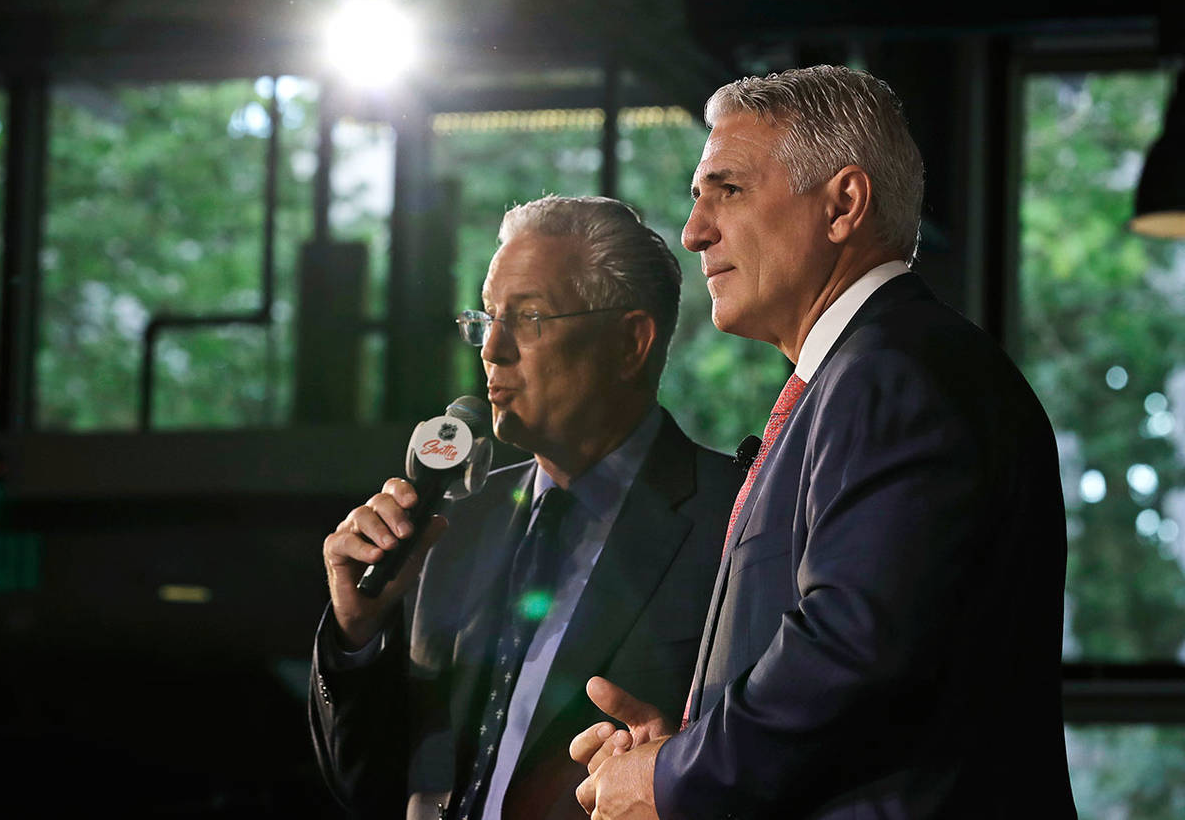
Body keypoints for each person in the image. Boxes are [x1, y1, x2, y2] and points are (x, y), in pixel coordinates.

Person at [571, 67, 1077, 818]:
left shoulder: (894, 375)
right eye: (695, 197)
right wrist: (687, 748)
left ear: (842, 204)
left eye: (728, 190)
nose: (694, 231)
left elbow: (851, 653)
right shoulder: (874, 373)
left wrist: (671, 777)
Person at [309, 195, 744, 820]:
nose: (493, 350)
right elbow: (374, 784)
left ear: (629, 342)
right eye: (487, 319)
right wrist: (357, 634)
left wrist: (681, 778)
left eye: (530, 318)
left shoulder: (734, 517)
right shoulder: (453, 520)